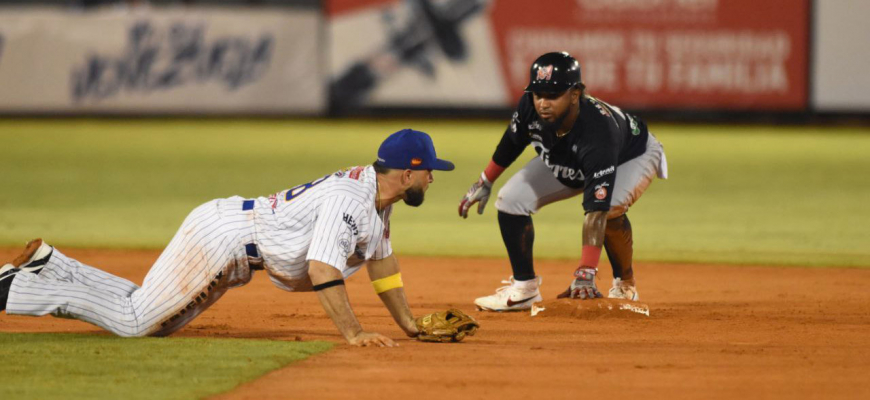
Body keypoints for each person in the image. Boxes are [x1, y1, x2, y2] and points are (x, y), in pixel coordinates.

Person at [0, 128, 454, 347]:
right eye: (429, 171)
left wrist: (409, 326)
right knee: (136, 323)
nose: (433, 178)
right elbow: (321, 269)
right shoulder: (351, 199)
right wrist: (353, 333)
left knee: (153, 316)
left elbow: (382, 263)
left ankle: (49, 264)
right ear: (408, 171)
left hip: (235, 248)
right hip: (224, 239)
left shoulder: (379, 200)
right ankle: (13, 287)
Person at [458, 52, 668, 311]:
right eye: (538, 94)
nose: (543, 103)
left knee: (611, 206)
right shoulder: (530, 106)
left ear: (576, 93)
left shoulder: (598, 134)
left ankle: (624, 283)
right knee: (510, 199)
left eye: (553, 95)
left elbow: (596, 211)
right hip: (568, 157)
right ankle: (524, 289)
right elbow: (511, 143)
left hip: (631, 154)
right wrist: (485, 180)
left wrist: (586, 272)